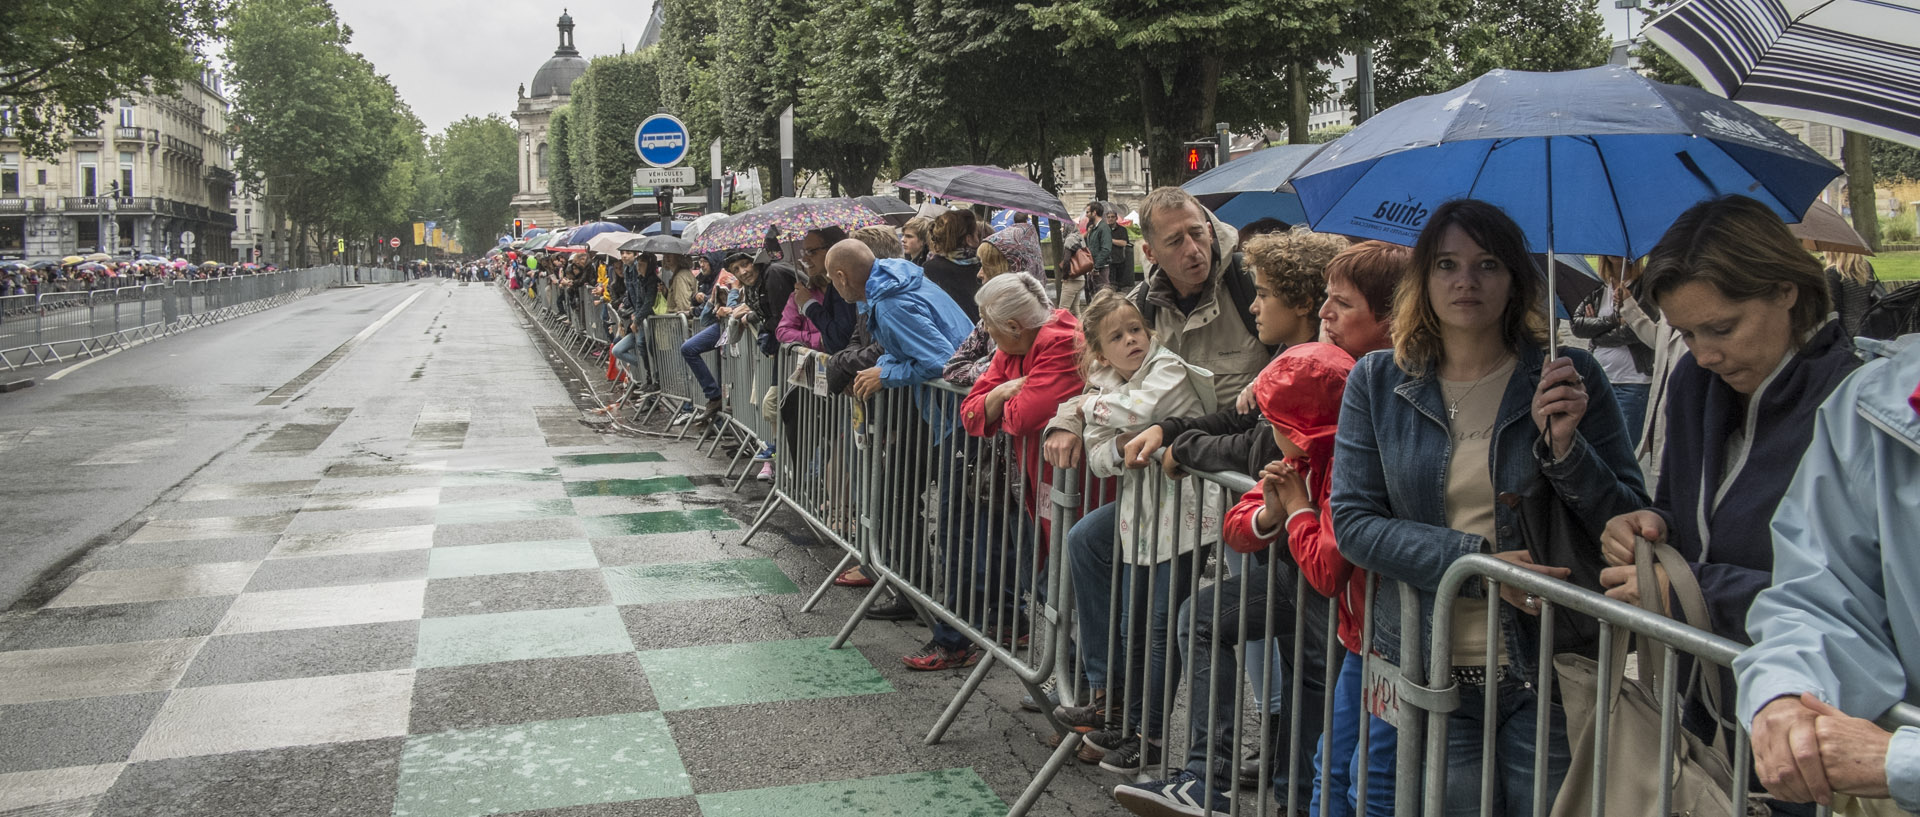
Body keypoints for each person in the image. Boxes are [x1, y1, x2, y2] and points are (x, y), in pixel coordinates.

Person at [1331, 199, 1646, 817]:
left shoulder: (1568, 373)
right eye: (1447, 264)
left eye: (1488, 264)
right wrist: (1480, 566)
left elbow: (1624, 519)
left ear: (1516, 279)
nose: (1466, 281)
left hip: (1549, 667)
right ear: (1422, 279)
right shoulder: (1377, 380)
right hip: (1430, 668)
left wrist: (1565, 448)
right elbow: (1354, 523)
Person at [1598, 195, 1859, 814]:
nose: (1705, 352)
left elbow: (1854, 595)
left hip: (1810, 731)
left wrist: (1693, 593)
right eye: (1686, 333)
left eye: (1722, 328)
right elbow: (1683, 513)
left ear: (1785, 290)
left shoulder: (1854, 404)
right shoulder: (1694, 381)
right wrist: (1649, 527)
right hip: (1708, 714)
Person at [1114, 341, 1353, 817]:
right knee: (1200, 619)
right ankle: (1207, 780)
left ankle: (1298, 802)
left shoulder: (1343, 463)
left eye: (1276, 423)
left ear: (1299, 427)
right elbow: (1238, 528)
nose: (1267, 430)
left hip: (1340, 602)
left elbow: (1328, 572)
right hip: (1291, 576)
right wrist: (1269, 514)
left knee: (1315, 689)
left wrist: (1299, 512)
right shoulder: (1288, 457)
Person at [1735, 334, 1920, 814]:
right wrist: (1787, 693)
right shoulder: (1876, 402)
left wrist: (1900, 761)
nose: (1706, 353)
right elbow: (1823, 593)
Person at [1046, 289, 1218, 776]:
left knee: (1162, 626)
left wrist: (1080, 410)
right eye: (1117, 337)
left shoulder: (1167, 368)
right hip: (1140, 513)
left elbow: (1131, 413)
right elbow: (1101, 459)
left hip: (1185, 515)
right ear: (1100, 352)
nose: (1131, 341)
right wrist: (1117, 440)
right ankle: (1118, 711)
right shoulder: (1103, 381)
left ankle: (1151, 736)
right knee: (1133, 623)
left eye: (1136, 330)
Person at [1570, 256, 1657, 447]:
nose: (1616, 253)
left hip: (1632, 383)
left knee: (1623, 449)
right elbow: (1577, 326)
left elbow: (1635, 332)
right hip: (1599, 379)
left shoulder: (1645, 285)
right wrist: (1614, 320)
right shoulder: (1597, 286)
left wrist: (1597, 333)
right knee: (1595, 446)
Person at [922, 210, 985, 323]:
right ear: (969, 239)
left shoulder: (929, 269)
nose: (979, 239)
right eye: (977, 234)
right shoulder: (983, 269)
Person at [1824, 251, 1881, 339]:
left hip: (1847, 332)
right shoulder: (1865, 267)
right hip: (1868, 327)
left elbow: (1835, 309)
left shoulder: (1833, 273)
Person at [1084, 202, 1114, 293]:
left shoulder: (1103, 228)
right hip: (1093, 268)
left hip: (1100, 269)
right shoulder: (1094, 228)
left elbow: (1106, 249)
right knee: (1093, 294)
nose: (1086, 215)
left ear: (1094, 213)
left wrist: (1096, 267)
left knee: (1103, 296)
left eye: (1088, 212)